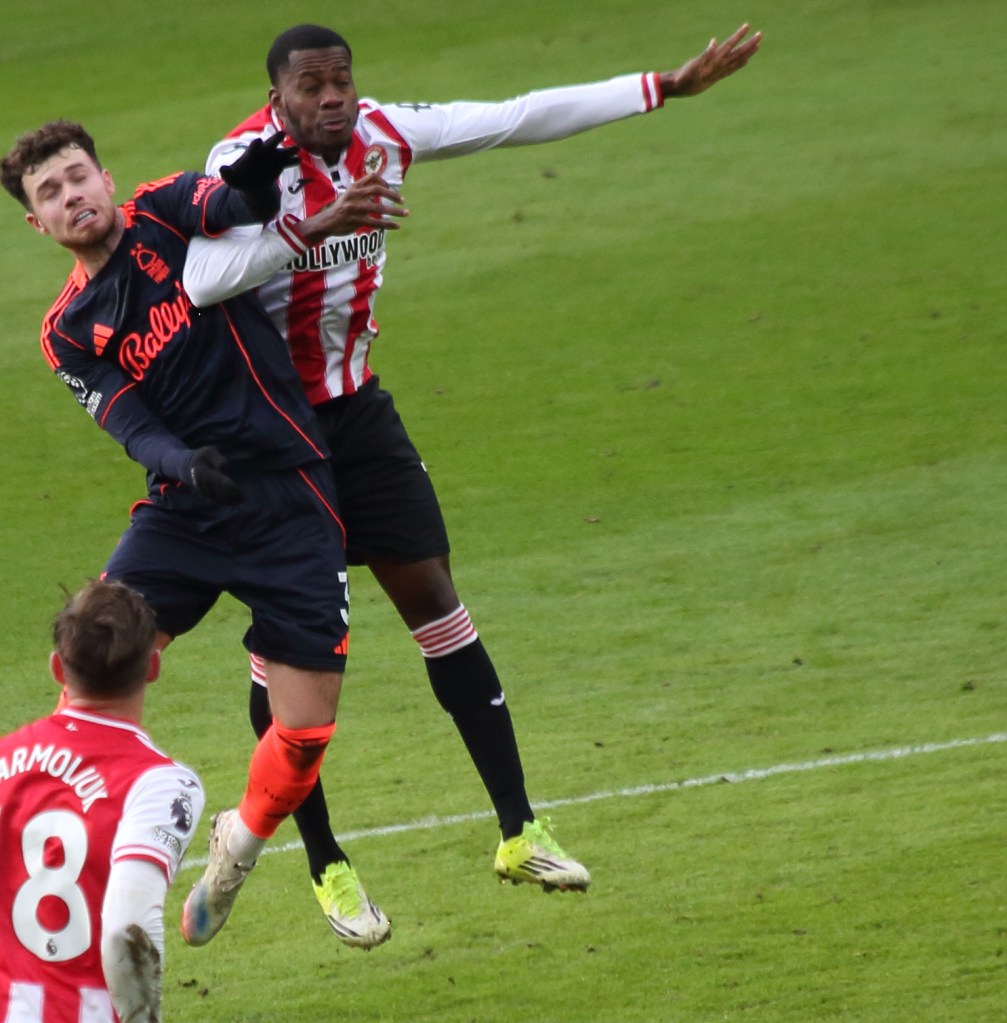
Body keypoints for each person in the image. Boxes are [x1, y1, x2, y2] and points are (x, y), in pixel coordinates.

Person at [184, 20, 762, 947]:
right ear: (278, 98)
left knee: (438, 604)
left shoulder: (387, 132)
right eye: (310, 86)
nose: (331, 97)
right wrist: (312, 228)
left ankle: (517, 829)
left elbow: (519, 115)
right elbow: (203, 278)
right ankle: (327, 864)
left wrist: (663, 86)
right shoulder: (243, 166)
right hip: (271, 437)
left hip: (358, 412)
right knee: (291, 656)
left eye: (340, 79)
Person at [0, 120, 399, 950]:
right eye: (50, 192)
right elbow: (130, 424)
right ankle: (53, 864)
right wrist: (184, 464)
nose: (71, 195)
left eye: (77, 177)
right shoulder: (68, 329)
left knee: (303, 733)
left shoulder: (166, 207)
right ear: (36, 223)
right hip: (186, 507)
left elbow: (231, 205)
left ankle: (237, 847)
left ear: (106, 179)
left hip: (288, 495)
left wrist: (254, 182)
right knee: (91, 649)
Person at [0, 579, 205, 1023]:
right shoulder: (162, 784)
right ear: (153, 666)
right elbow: (126, 927)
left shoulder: (3, 758)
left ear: (58, 669)